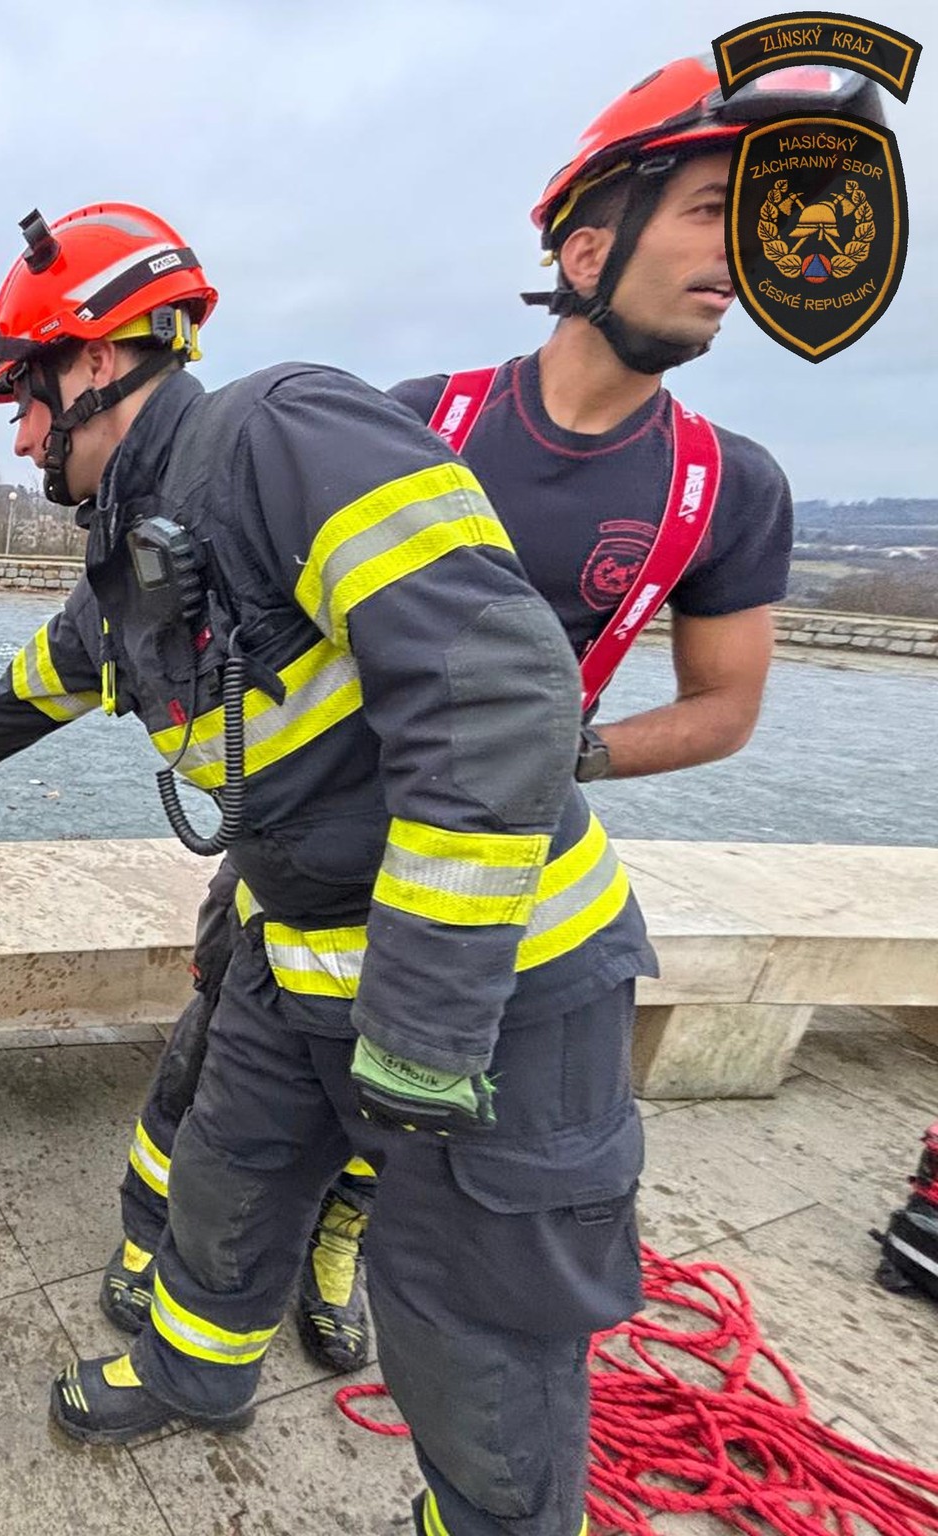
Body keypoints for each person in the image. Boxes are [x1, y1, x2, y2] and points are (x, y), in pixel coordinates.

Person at [0, 200, 652, 1533]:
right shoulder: (127, 567)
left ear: (99, 361)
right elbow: (11, 704)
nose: (21, 436)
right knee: (222, 1191)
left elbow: (498, 688)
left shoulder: (283, 433)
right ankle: (190, 1378)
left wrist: (425, 1023)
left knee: (470, 1324)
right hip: (295, 953)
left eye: (24, 398)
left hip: (493, 994)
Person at [104, 56, 869, 1392]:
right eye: (711, 211)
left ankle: (336, 1243)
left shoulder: (723, 488)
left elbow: (723, 710)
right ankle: (163, 1253)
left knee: (405, 1099)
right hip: (308, 844)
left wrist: (549, 756)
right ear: (587, 247)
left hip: (476, 869)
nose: (739, 259)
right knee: (221, 1048)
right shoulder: (414, 421)